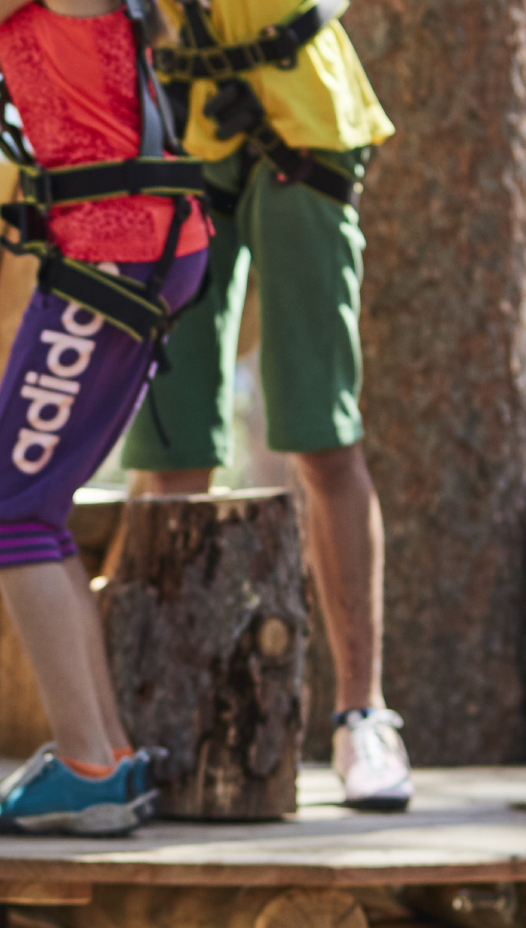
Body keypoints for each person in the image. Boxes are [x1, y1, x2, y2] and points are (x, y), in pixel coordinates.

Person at [0, 0, 210, 834]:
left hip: (112, 248)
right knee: (33, 509)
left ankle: (91, 768)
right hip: (135, 243)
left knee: (4, 511)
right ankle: (109, 758)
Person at [121, 0, 410, 810]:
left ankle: (363, 715)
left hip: (301, 119)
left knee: (322, 434)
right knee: (172, 453)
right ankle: (164, 720)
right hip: (176, 126)